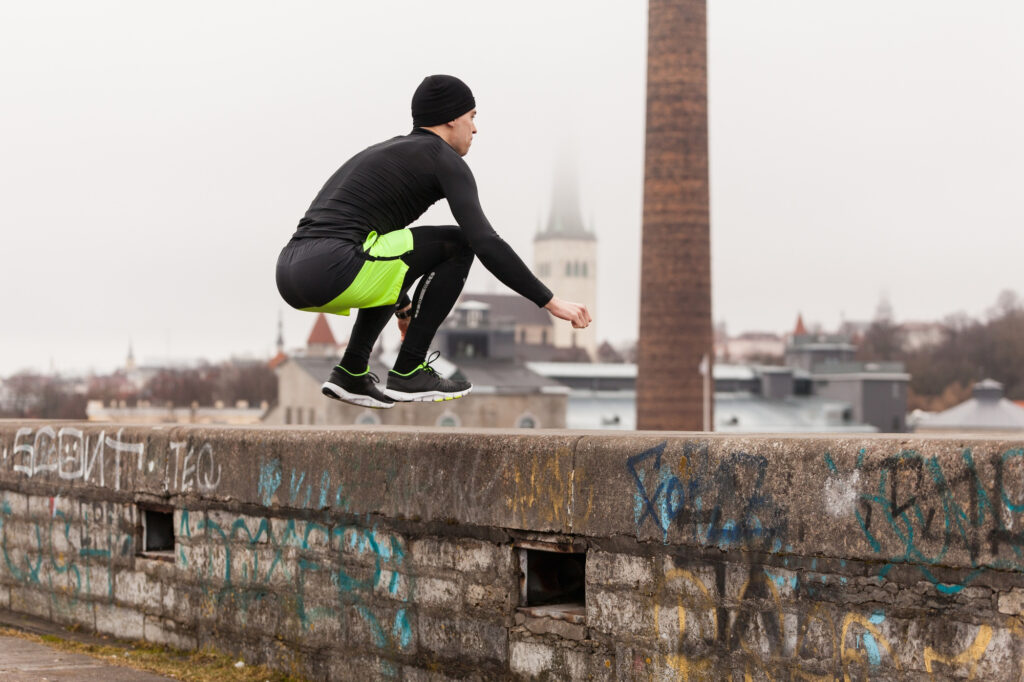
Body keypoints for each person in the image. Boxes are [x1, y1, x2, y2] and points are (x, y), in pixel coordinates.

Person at [276, 75, 592, 409]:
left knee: (387, 249)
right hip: (334, 267)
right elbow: (485, 241)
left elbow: (375, 244)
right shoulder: (443, 159)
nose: (475, 128)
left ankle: (352, 372)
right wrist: (550, 301)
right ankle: (410, 367)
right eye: (472, 116)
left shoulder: (382, 153)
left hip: (290, 271)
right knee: (459, 242)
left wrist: (402, 305)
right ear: (451, 118)